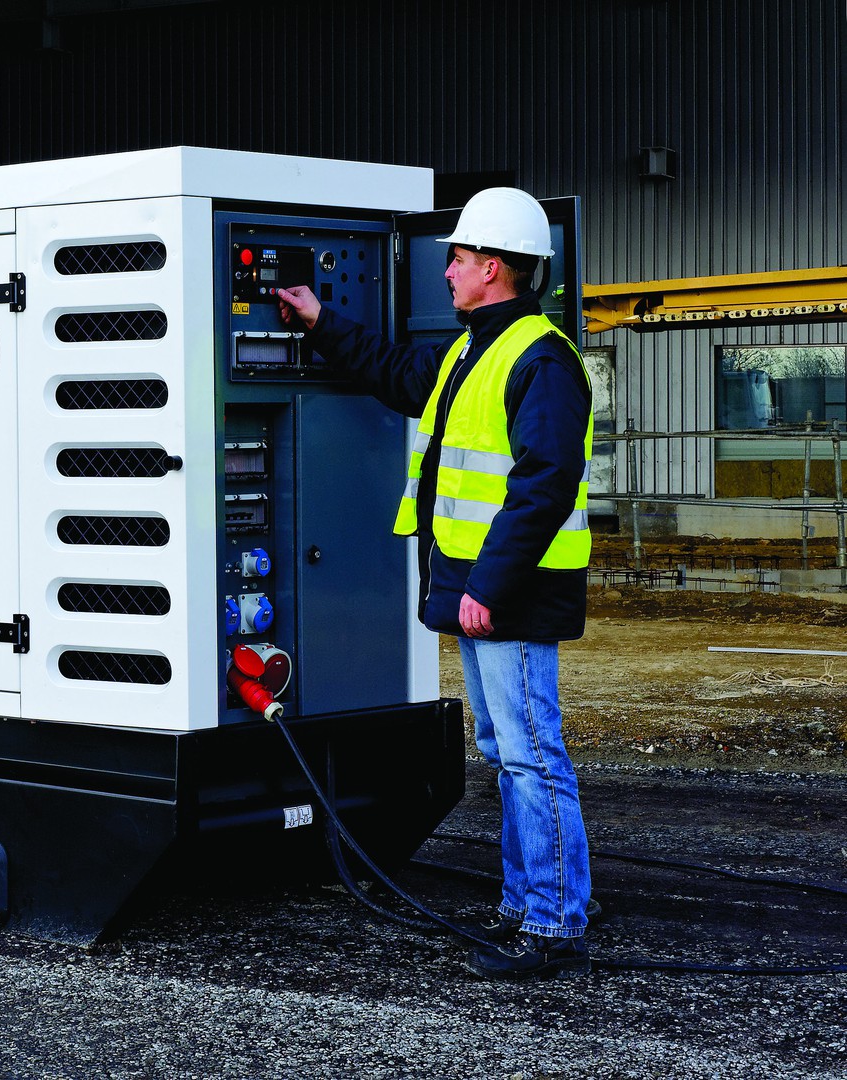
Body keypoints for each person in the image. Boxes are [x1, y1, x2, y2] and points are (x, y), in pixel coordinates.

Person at [275, 187, 594, 981]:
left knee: (531, 756)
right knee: (504, 750)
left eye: (457, 257)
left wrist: (490, 585)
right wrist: (318, 320)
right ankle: (525, 904)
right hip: (479, 589)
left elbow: (544, 484)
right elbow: (394, 372)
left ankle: (556, 923)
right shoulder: (471, 352)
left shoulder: (541, 359)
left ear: (492, 266)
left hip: (509, 594)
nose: (445, 270)